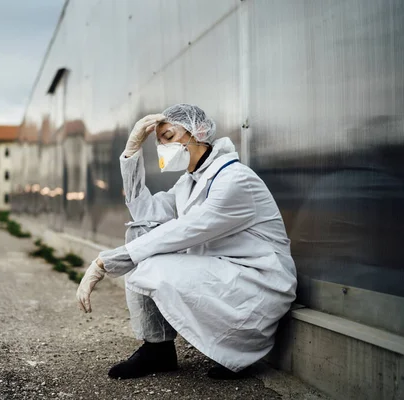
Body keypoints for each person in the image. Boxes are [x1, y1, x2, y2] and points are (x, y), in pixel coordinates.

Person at [76, 104, 297, 380]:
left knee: (149, 260)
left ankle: (238, 346)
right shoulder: (190, 182)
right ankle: (157, 350)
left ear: (199, 132)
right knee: (140, 233)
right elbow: (146, 216)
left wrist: (105, 262)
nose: (162, 146)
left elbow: (186, 230)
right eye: (158, 142)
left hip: (255, 280)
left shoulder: (235, 179)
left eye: (168, 137)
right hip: (223, 271)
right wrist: (131, 152)